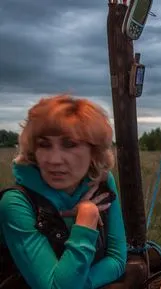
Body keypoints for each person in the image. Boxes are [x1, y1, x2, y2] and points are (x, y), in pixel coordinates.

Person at [0, 95, 127, 289]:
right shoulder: (16, 202)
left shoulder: (100, 181)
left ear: (94, 151)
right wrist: (87, 217)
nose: (54, 159)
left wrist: (82, 283)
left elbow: (117, 260)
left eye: (70, 144)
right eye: (44, 144)